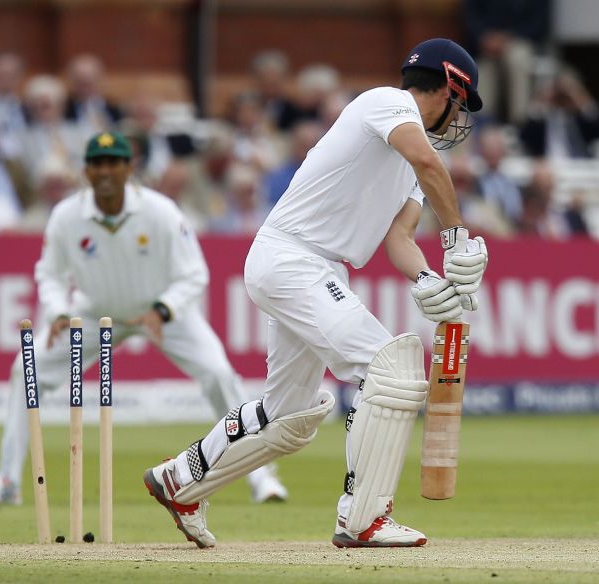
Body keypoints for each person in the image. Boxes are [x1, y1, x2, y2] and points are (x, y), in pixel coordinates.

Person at [141, 38, 490, 549]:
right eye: (460, 103)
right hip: (291, 257)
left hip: (313, 267)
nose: (458, 117)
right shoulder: (385, 103)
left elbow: (399, 238)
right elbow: (431, 168)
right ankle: (363, 518)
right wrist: (457, 237)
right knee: (389, 368)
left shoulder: (417, 160)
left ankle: (180, 480)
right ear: (448, 88)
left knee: (289, 414)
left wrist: (427, 279)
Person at [0, 131, 289, 506]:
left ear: (129, 167)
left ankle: (261, 478)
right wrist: (57, 310)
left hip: (160, 312)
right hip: (92, 313)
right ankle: (7, 479)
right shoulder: (67, 216)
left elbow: (194, 274)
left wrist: (162, 309)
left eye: (113, 163)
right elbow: (50, 273)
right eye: (97, 164)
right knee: (26, 370)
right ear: (85, 170)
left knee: (219, 374)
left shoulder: (160, 211)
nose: (105, 172)